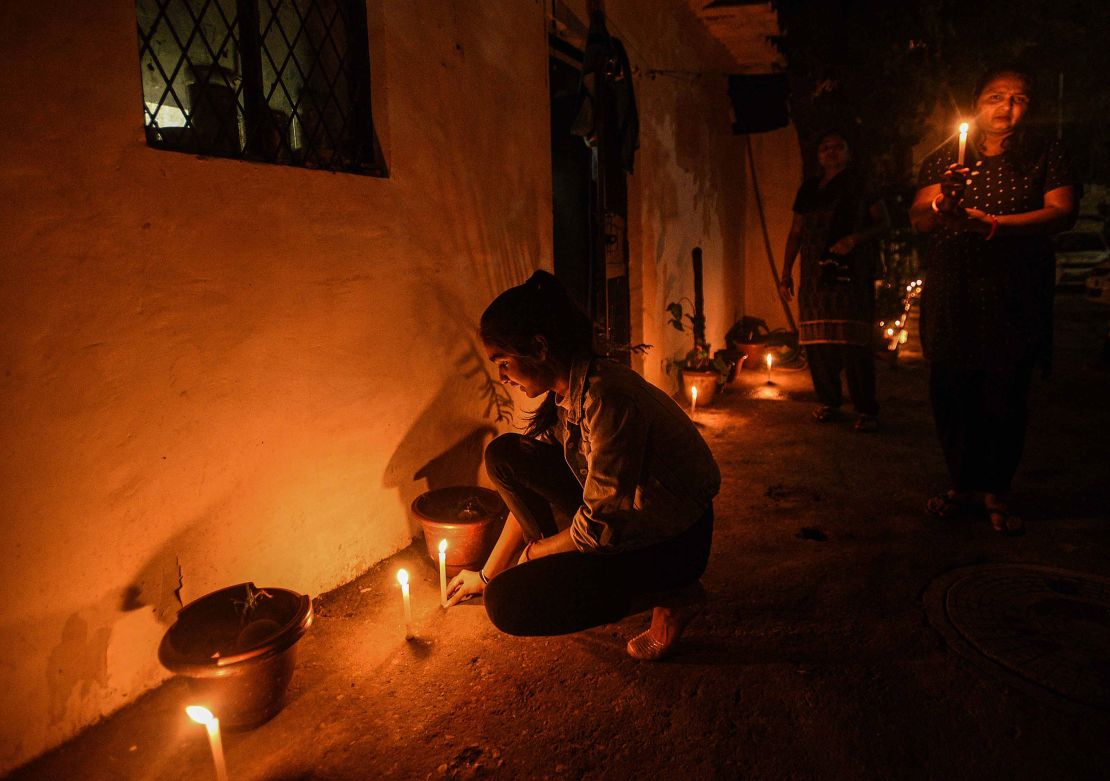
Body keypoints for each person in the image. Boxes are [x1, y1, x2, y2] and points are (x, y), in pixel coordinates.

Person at [445, 270, 720, 661]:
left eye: (503, 362)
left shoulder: (608, 399)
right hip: (626, 518)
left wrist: (534, 555)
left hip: (675, 541)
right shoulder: (568, 394)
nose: (502, 376)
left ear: (539, 348)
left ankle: (674, 592)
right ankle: (568, 571)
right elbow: (531, 493)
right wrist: (487, 574)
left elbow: (598, 526)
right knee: (505, 456)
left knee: (507, 603)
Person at [909, 66, 1079, 535]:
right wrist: (944, 203)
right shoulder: (945, 159)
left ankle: (996, 490)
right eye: (995, 97)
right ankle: (963, 485)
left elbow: (1062, 211)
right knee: (952, 389)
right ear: (976, 101)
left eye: (1019, 98)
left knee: (1004, 392)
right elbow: (920, 220)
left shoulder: (1046, 153)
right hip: (955, 286)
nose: (1006, 107)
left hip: (1013, 288)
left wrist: (994, 226)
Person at [779, 130, 889, 432]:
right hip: (815, 277)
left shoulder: (861, 184)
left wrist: (854, 239)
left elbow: (883, 222)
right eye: (825, 147)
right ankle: (829, 402)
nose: (830, 152)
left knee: (854, 343)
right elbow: (796, 232)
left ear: (848, 153)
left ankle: (866, 409)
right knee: (819, 343)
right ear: (818, 155)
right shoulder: (809, 189)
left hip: (850, 274)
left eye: (837, 147)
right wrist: (785, 272)